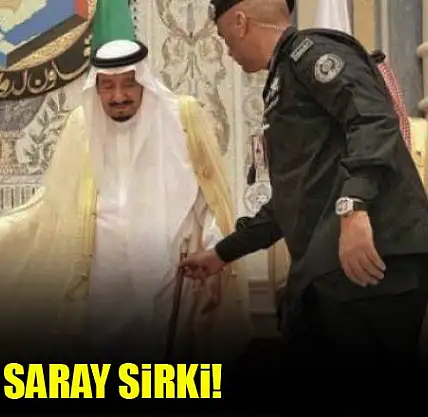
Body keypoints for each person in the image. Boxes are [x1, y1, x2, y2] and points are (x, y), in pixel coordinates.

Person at [181, 0, 428, 403]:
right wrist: (221, 254)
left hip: (369, 262)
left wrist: (353, 206)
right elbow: (292, 198)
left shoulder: (311, 53)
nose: (228, 51)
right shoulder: (284, 77)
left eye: (225, 39)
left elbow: (371, 118)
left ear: (240, 21)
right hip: (331, 270)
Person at [0, 38, 253, 363]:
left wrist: (215, 251)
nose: (118, 96)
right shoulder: (82, 125)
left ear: (144, 83)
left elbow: (211, 198)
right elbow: (54, 202)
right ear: (95, 88)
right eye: (108, 86)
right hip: (102, 281)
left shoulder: (182, 118)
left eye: (129, 84)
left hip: (169, 278)